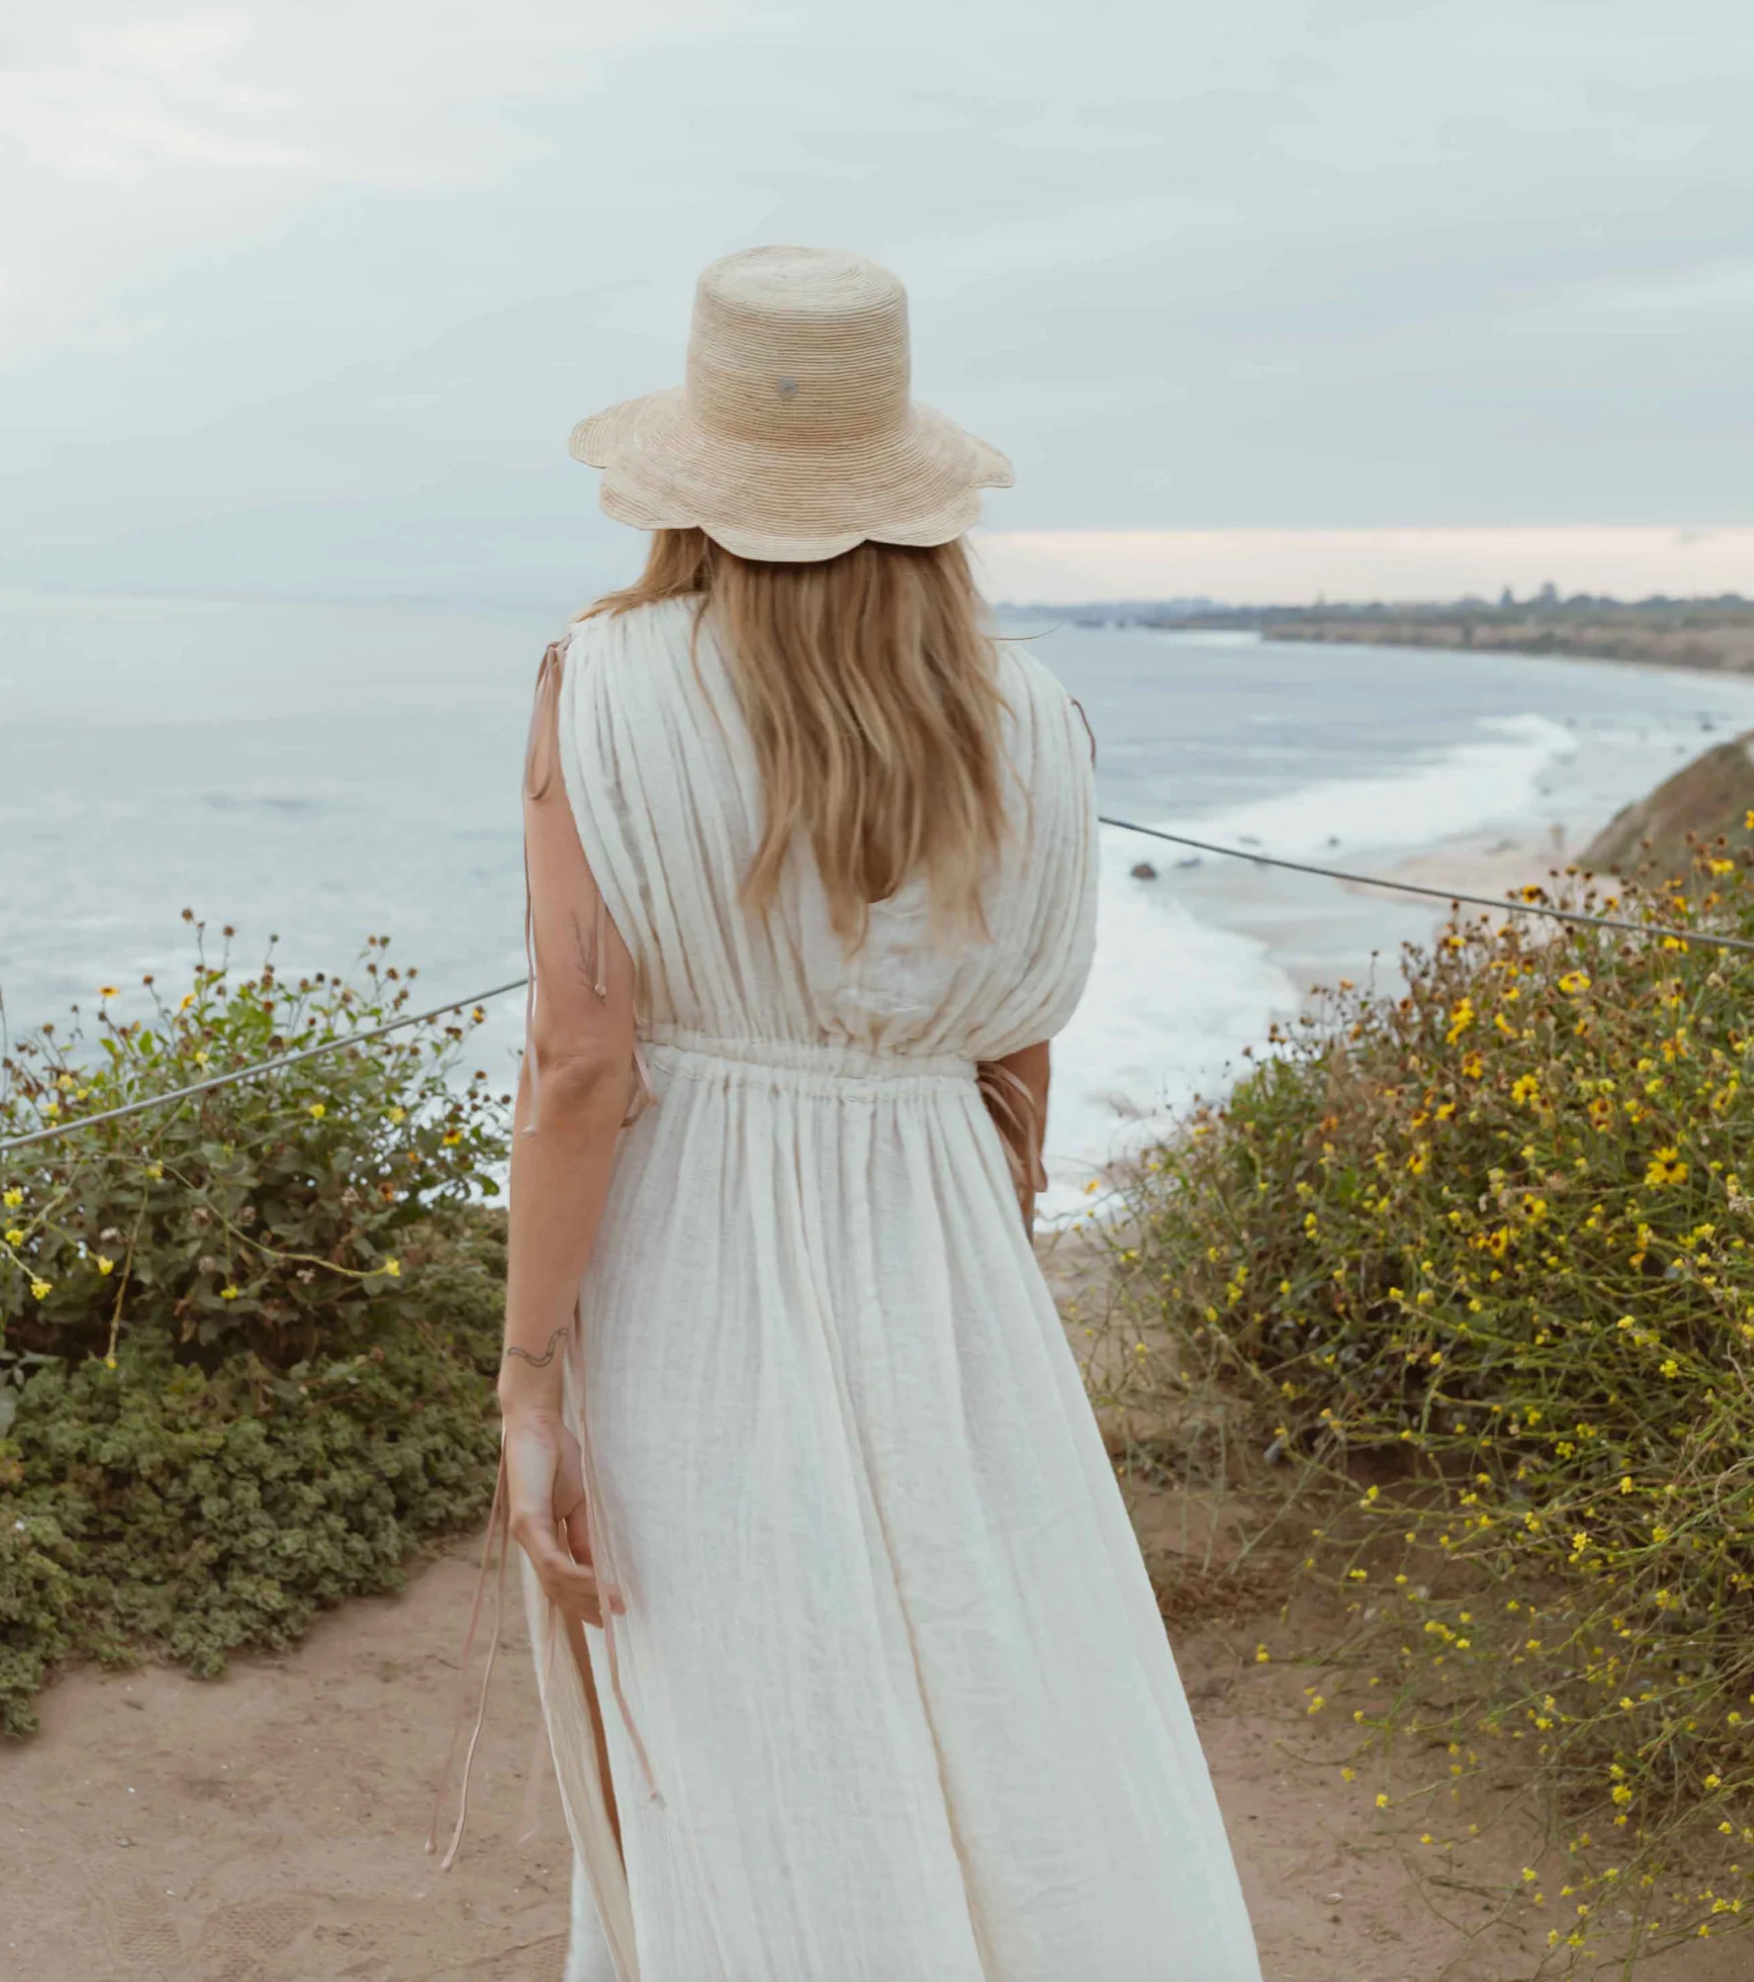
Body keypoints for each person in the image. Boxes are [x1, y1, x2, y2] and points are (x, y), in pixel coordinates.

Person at [462, 244, 1263, 1980]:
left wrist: (530, 1376)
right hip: (947, 1244)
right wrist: (962, 1279)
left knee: (747, 1728)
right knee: (1001, 1693)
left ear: (690, 478)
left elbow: (581, 1063)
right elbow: (1019, 1054)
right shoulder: (1034, 722)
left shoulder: (594, 685)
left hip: (699, 1272)